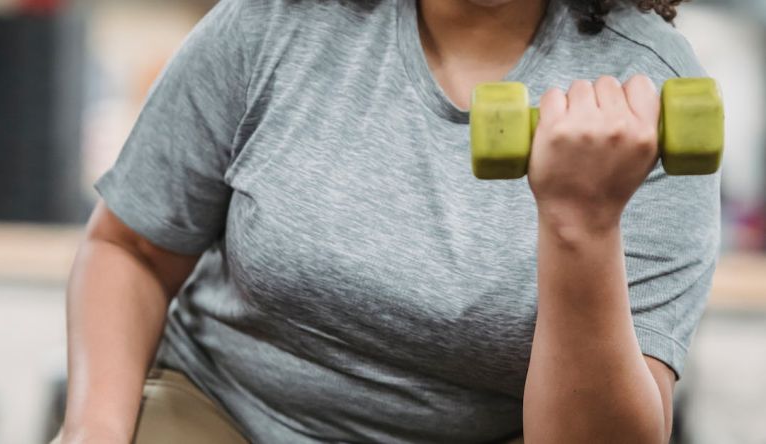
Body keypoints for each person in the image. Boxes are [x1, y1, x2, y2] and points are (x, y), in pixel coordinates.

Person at [54, 0, 720, 442]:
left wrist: (583, 223)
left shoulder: (648, 88)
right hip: (224, 413)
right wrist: (94, 429)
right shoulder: (274, 21)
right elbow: (131, 248)